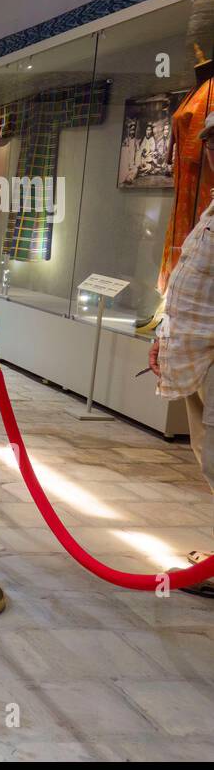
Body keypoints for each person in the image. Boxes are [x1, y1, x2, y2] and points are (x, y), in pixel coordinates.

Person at [149, 111, 214, 494]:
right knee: (206, 455)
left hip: (210, 355)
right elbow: (189, 286)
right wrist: (164, 337)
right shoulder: (209, 207)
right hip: (195, 356)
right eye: (210, 142)